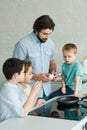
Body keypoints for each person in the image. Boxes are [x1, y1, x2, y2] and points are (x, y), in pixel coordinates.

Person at [13, 15, 58, 99]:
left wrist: (53, 71)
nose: (47, 37)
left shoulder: (50, 43)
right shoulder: (22, 44)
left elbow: (52, 62)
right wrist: (37, 76)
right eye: (44, 34)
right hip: (28, 93)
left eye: (49, 34)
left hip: (47, 92)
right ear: (36, 30)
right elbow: (16, 70)